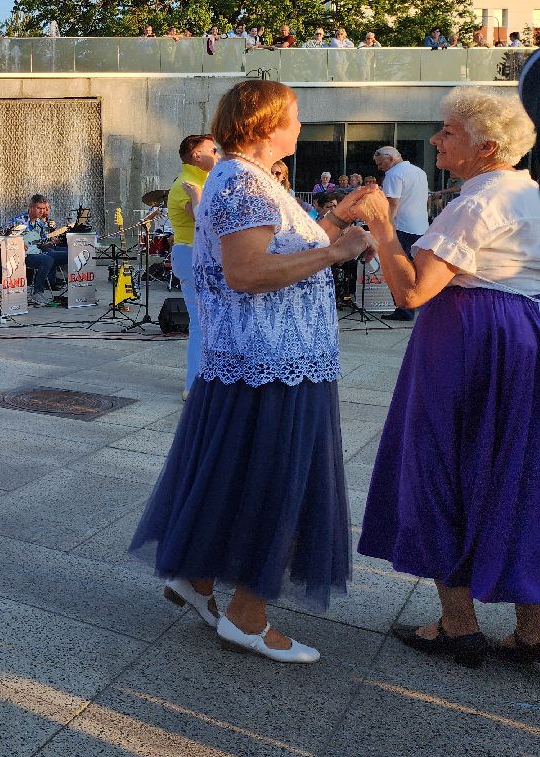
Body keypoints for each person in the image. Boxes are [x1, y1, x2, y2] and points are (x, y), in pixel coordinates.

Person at [128, 80, 376, 664]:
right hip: (269, 361)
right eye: (293, 117)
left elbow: (280, 245)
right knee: (276, 485)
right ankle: (247, 617)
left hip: (270, 360)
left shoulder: (252, 181)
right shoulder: (241, 180)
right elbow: (245, 271)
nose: (300, 126)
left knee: (238, 478)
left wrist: (338, 220)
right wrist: (337, 252)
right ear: (265, 124)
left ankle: (201, 579)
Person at [354, 87, 539, 667]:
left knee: (439, 464)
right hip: (524, 332)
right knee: (516, 469)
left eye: (448, 132)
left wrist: (382, 229)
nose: (436, 139)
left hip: (467, 335)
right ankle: (531, 631)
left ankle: (458, 625)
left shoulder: (477, 203)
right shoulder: (530, 195)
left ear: (485, 148)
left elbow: (412, 291)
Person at [168, 133, 222, 399]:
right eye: (212, 149)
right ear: (196, 155)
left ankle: (208, 380)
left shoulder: (205, 180)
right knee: (201, 323)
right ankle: (194, 385)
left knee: (211, 322)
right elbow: (204, 221)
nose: (217, 153)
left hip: (204, 256)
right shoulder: (186, 184)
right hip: (192, 255)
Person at [372, 145, 431, 321]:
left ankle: (404, 309)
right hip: (421, 227)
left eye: (381, 163)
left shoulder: (393, 174)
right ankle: (417, 305)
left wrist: (385, 227)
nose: (379, 167)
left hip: (402, 227)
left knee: (398, 269)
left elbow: (392, 204)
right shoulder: (420, 172)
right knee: (417, 270)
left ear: (390, 159)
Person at [5, 195, 68, 306]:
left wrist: (51, 242)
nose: (42, 211)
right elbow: (0, 233)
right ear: (31, 207)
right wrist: (18, 241)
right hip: (23, 255)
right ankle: (37, 292)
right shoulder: (20, 220)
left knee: (69, 254)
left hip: (38, 252)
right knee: (47, 260)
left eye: (44, 208)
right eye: (39, 208)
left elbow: (42, 243)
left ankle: (76, 289)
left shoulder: (40, 223)